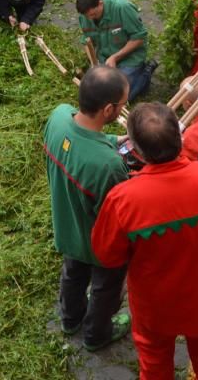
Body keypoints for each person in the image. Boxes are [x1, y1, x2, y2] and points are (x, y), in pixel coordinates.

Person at [92, 102, 198, 380]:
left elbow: (108, 255)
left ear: (138, 152)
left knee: (154, 364)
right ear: (181, 137)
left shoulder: (124, 199)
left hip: (155, 307)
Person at [44, 66, 132, 351]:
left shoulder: (59, 116)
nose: (123, 110)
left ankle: (70, 319)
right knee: (105, 286)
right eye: (122, 105)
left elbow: (80, 141)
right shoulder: (107, 165)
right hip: (98, 243)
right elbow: (120, 213)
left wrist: (110, 141)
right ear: (109, 110)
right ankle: (97, 334)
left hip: (68, 225)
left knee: (73, 272)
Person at [76, 0, 157, 101]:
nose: (90, 18)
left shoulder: (122, 7)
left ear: (100, 3)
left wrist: (115, 57)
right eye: (87, 16)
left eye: (93, 14)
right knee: (96, 91)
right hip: (104, 58)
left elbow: (139, 38)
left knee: (120, 96)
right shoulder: (85, 15)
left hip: (130, 58)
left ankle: (146, 72)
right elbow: (87, 41)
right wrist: (93, 61)